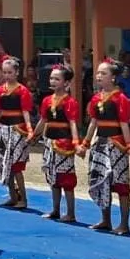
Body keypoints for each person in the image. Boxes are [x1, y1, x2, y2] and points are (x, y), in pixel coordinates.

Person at [79, 59, 130, 235]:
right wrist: (85, 143)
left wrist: (129, 147)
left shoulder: (121, 99)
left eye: (103, 73)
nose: (99, 76)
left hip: (117, 144)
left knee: (120, 183)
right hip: (100, 143)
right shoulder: (96, 98)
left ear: (113, 78)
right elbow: (93, 123)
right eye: (98, 73)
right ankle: (106, 220)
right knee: (101, 181)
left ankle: (124, 224)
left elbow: (124, 124)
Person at [31, 65, 81, 222]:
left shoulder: (70, 102)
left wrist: (75, 142)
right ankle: (56, 209)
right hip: (49, 142)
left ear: (66, 83)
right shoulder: (46, 101)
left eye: (57, 79)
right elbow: (43, 120)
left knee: (66, 178)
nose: (52, 81)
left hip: (64, 143)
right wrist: (33, 135)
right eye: (51, 78)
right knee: (52, 177)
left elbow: (73, 123)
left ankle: (71, 213)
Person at [0, 56, 34, 209]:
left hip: (17, 131)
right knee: (3, 163)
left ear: (16, 72)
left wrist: (29, 130)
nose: (7, 75)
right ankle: (13, 196)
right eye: (5, 72)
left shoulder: (23, 91)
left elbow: (26, 112)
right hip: (3, 130)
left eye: (10, 72)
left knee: (16, 166)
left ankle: (23, 199)